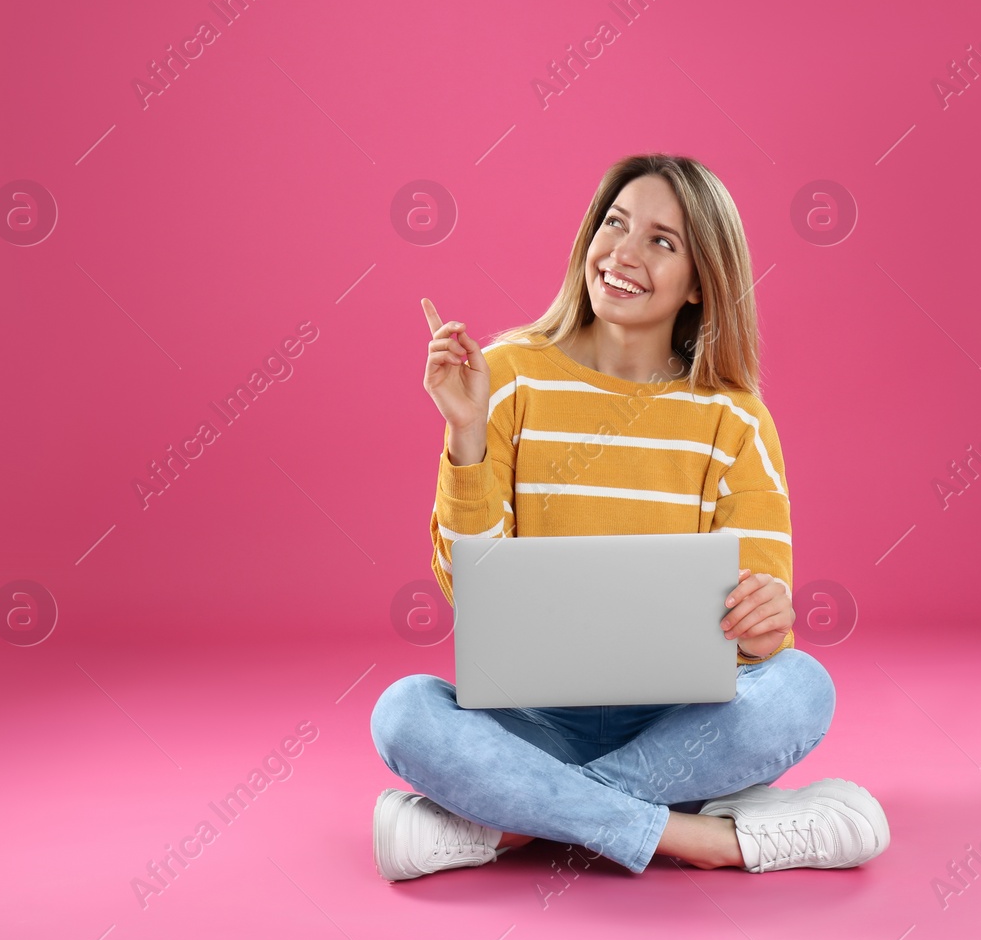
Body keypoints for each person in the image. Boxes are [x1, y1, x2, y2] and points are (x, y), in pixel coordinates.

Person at [370, 153, 888, 881]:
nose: (623, 253)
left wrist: (766, 616)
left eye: (661, 240)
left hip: (675, 726)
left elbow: (762, 643)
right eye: (614, 224)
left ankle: (510, 825)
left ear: (702, 283)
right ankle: (700, 836)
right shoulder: (506, 375)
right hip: (534, 722)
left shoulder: (736, 420)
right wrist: (465, 436)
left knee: (804, 687)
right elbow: (471, 588)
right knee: (402, 712)